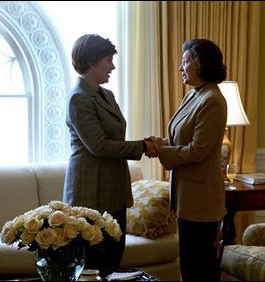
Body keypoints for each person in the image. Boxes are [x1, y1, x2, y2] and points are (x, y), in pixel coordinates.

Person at [63, 33, 155, 274]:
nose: (113, 66)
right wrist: (143, 146)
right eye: (108, 59)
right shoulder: (78, 98)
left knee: (113, 262)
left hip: (114, 190)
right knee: (92, 267)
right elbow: (99, 146)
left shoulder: (107, 95)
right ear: (91, 61)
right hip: (91, 193)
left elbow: (114, 140)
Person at [147, 39, 227, 281]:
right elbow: (178, 137)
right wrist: (159, 143)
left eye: (185, 62)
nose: (180, 68)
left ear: (201, 65)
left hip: (201, 199)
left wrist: (160, 151)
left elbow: (197, 151)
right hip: (186, 197)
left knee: (200, 267)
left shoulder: (212, 99)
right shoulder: (194, 95)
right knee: (190, 265)